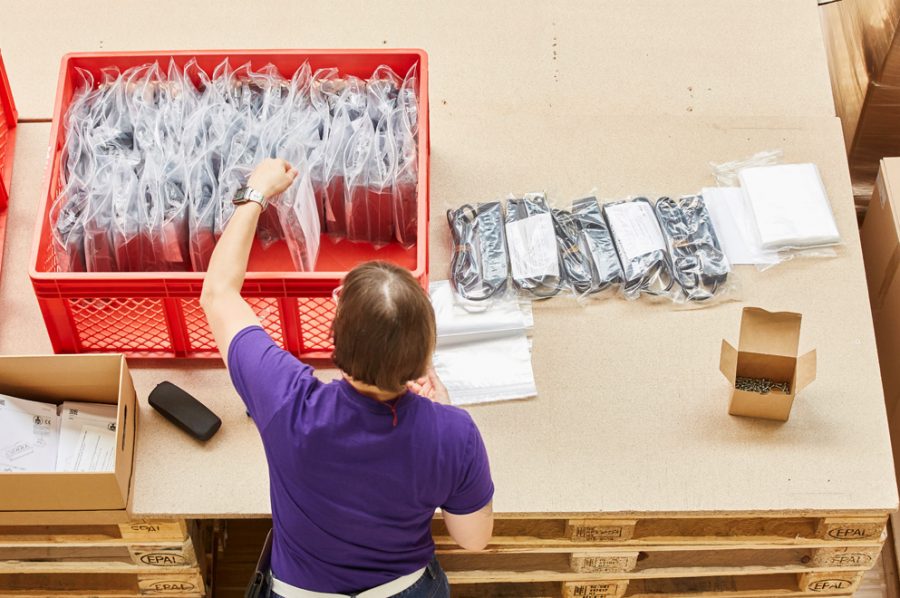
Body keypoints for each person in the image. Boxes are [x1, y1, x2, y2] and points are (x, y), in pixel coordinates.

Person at [201, 158, 494, 598]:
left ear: (333, 339)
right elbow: (474, 538)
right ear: (424, 357)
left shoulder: (286, 400)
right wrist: (443, 411)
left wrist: (257, 192)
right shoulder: (454, 433)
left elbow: (219, 292)